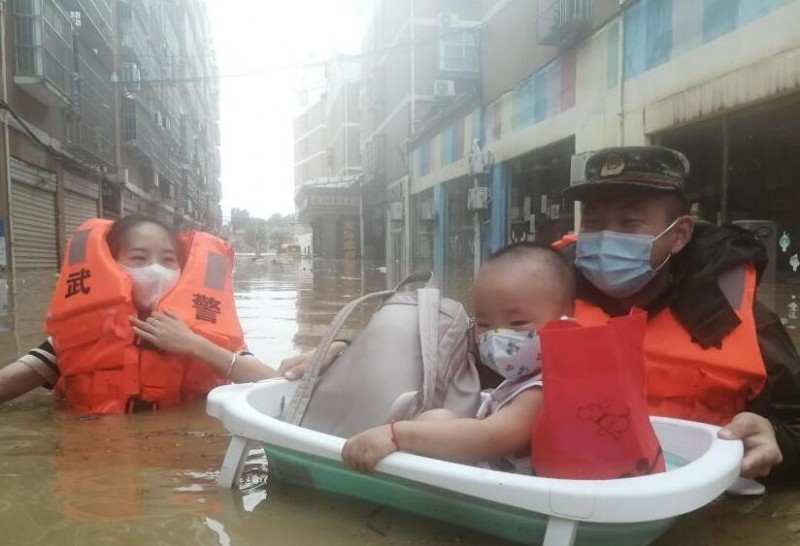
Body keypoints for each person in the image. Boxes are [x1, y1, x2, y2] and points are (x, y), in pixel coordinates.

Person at [560, 146, 800, 483]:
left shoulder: (734, 314)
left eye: (629, 222)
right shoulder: (545, 298)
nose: (604, 239)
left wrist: (776, 440)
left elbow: (794, 424)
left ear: (678, 234)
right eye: (593, 222)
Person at [0, 214, 345, 412]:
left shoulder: (208, 332)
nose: (156, 270)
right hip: (100, 473)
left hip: (184, 472)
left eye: (168, 260)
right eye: (138, 258)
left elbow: (274, 387)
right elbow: (9, 383)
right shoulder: (75, 338)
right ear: (110, 265)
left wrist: (194, 345)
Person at [341, 243, 574, 473]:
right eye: (484, 324)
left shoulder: (541, 393)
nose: (497, 336)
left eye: (518, 323)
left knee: (434, 421)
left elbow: (488, 438)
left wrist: (396, 435)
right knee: (439, 417)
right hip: (487, 471)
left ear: (567, 324)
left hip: (498, 490)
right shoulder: (524, 377)